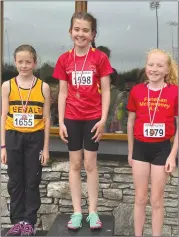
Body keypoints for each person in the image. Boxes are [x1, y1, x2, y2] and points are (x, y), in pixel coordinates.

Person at [53, 12, 113, 230]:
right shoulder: (64, 59)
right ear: (70, 32)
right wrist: (60, 122)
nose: (81, 34)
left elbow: (106, 91)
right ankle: (77, 212)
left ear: (93, 34)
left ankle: (93, 212)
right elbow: (61, 93)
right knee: (75, 164)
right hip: (71, 118)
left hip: (93, 118)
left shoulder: (100, 58)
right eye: (77, 29)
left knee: (90, 164)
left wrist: (104, 119)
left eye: (86, 30)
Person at [127, 48, 178, 236]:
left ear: (167, 70)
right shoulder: (137, 91)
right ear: (145, 67)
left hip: (162, 149)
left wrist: (173, 155)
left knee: (156, 200)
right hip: (140, 148)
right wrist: (130, 151)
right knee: (140, 198)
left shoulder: (174, 92)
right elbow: (130, 122)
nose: (154, 69)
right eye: (151, 64)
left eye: (159, 65)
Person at [1, 45, 50, 236]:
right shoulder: (7, 86)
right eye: (20, 62)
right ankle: (17, 221)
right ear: (15, 62)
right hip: (13, 136)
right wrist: (2, 146)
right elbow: (3, 115)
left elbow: (47, 120)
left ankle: (29, 221)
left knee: (32, 181)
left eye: (28, 62)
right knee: (15, 181)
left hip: (34, 138)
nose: (24, 65)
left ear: (35, 63)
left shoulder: (43, 87)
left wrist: (46, 148)